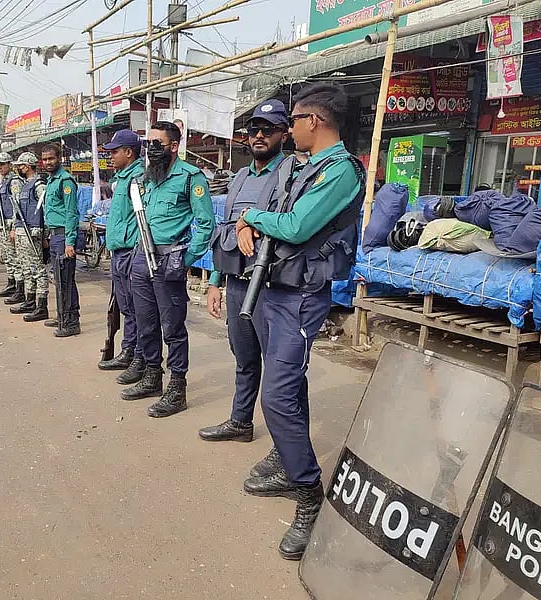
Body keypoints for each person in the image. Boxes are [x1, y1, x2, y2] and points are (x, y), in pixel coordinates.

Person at [235, 83, 365, 560]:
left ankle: (308, 492)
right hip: (276, 287)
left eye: (293, 121)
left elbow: (294, 227)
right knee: (287, 386)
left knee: (277, 394)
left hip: (303, 296)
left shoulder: (340, 172)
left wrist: (251, 215)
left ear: (315, 122)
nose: (287, 129)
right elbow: (275, 213)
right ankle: (289, 460)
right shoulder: (306, 167)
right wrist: (250, 221)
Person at [199, 99, 291, 446]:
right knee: (244, 359)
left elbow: (290, 227)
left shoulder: (292, 175)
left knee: (279, 370)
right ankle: (241, 422)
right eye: (254, 129)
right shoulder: (238, 177)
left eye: (268, 129)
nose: (259, 135)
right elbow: (223, 231)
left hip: (273, 287)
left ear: (284, 133)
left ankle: (285, 447)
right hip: (237, 282)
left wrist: (249, 223)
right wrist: (213, 283)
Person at [121, 121, 215, 418]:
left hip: (169, 261)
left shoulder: (191, 177)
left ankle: (177, 387)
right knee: (144, 321)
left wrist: (186, 259)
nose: (150, 149)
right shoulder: (146, 178)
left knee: (172, 327)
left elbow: (206, 224)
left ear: (174, 146)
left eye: (157, 144)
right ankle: (152, 375)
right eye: (148, 143)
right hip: (141, 257)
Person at [96, 130, 147, 384]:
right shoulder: (123, 178)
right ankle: (128, 350)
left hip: (130, 251)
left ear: (129, 152)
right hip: (119, 251)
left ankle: (139, 356)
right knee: (126, 307)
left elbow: (142, 217)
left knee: (137, 309)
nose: (110, 156)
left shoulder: (137, 178)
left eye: (114, 151)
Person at [42, 143, 81, 337]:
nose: (48, 162)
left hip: (64, 235)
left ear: (60, 158)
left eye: (51, 158)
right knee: (59, 280)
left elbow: (71, 213)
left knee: (66, 280)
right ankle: (62, 316)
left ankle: (71, 322)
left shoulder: (66, 181)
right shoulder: (51, 181)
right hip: (54, 235)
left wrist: (70, 242)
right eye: (45, 159)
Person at [9, 152, 49, 322]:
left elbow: (46, 209)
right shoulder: (25, 185)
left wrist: (46, 233)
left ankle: (41, 306)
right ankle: (30, 300)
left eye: (20, 166)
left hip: (34, 232)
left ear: (27, 166)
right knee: (26, 268)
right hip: (22, 231)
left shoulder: (38, 185)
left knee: (38, 270)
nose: (18, 168)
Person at [0, 153, 23, 299]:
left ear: (10, 165)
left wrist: (14, 227)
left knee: (15, 258)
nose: (0, 167)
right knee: (8, 256)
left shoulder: (14, 181)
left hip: (11, 222)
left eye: (3, 164)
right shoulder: (3, 181)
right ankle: (11, 284)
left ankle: (19, 288)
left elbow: (18, 205)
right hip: (3, 221)